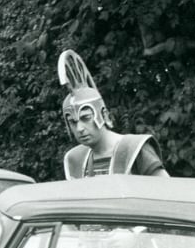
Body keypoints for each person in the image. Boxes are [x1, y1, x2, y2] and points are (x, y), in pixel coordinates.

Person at [58, 49, 167, 178]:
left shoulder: (134, 148)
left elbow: (166, 190)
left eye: (86, 118)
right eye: (73, 122)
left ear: (103, 115)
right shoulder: (75, 160)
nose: (80, 128)